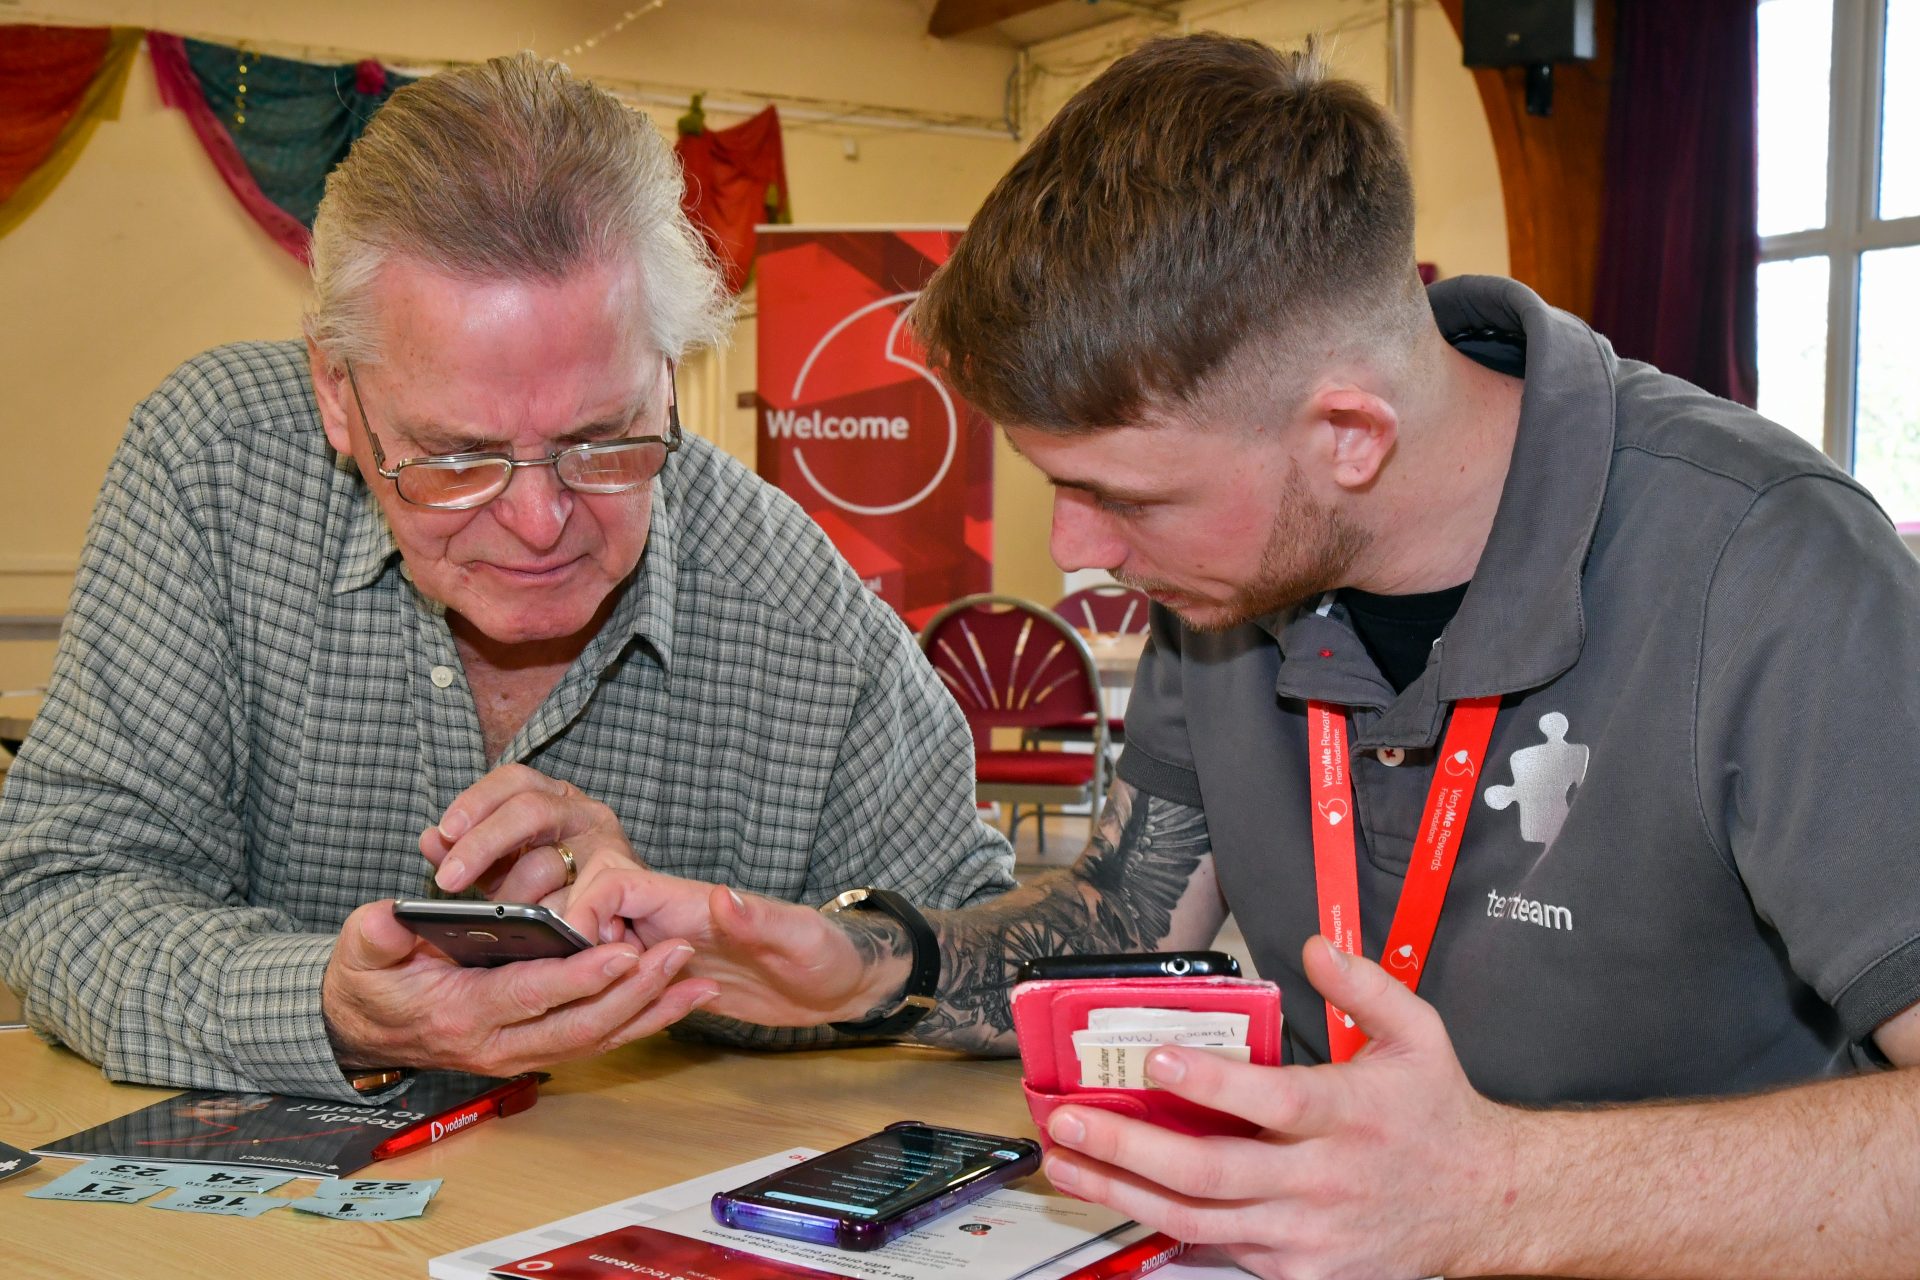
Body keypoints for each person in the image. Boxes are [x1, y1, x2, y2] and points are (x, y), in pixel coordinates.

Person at [561, 33, 1920, 1279]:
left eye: (1127, 498)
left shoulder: (1775, 572)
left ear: (1349, 435)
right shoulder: (1235, 566)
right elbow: (1124, 923)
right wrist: (865, 962)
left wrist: (1495, 1191)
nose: (1082, 551)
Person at [0, 53, 1014, 1103]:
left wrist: (729, 958)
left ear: (668, 374)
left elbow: (994, 957)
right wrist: (332, 1008)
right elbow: (57, 887)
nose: (537, 524)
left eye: (604, 440)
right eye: (455, 458)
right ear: (336, 396)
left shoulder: (798, 604)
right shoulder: (216, 470)